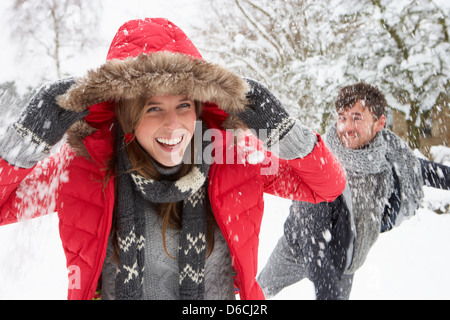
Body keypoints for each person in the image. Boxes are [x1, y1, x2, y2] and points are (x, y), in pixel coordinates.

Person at [0, 18, 346, 300]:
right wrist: (23, 143)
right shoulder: (85, 164)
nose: (173, 125)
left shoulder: (228, 155)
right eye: (153, 108)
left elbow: (325, 186)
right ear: (127, 115)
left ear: (198, 108)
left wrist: (283, 131)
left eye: (184, 105)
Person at [257, 82, 450, 300]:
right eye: (342, 117)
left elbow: (422, 170)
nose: (347, 127)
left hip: (345, 256)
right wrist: (326, 287)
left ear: (379, 123)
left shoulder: (387, 156)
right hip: (298, 249)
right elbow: (311, 231)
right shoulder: (322, 158)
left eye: (357, 118)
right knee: (257, 294)